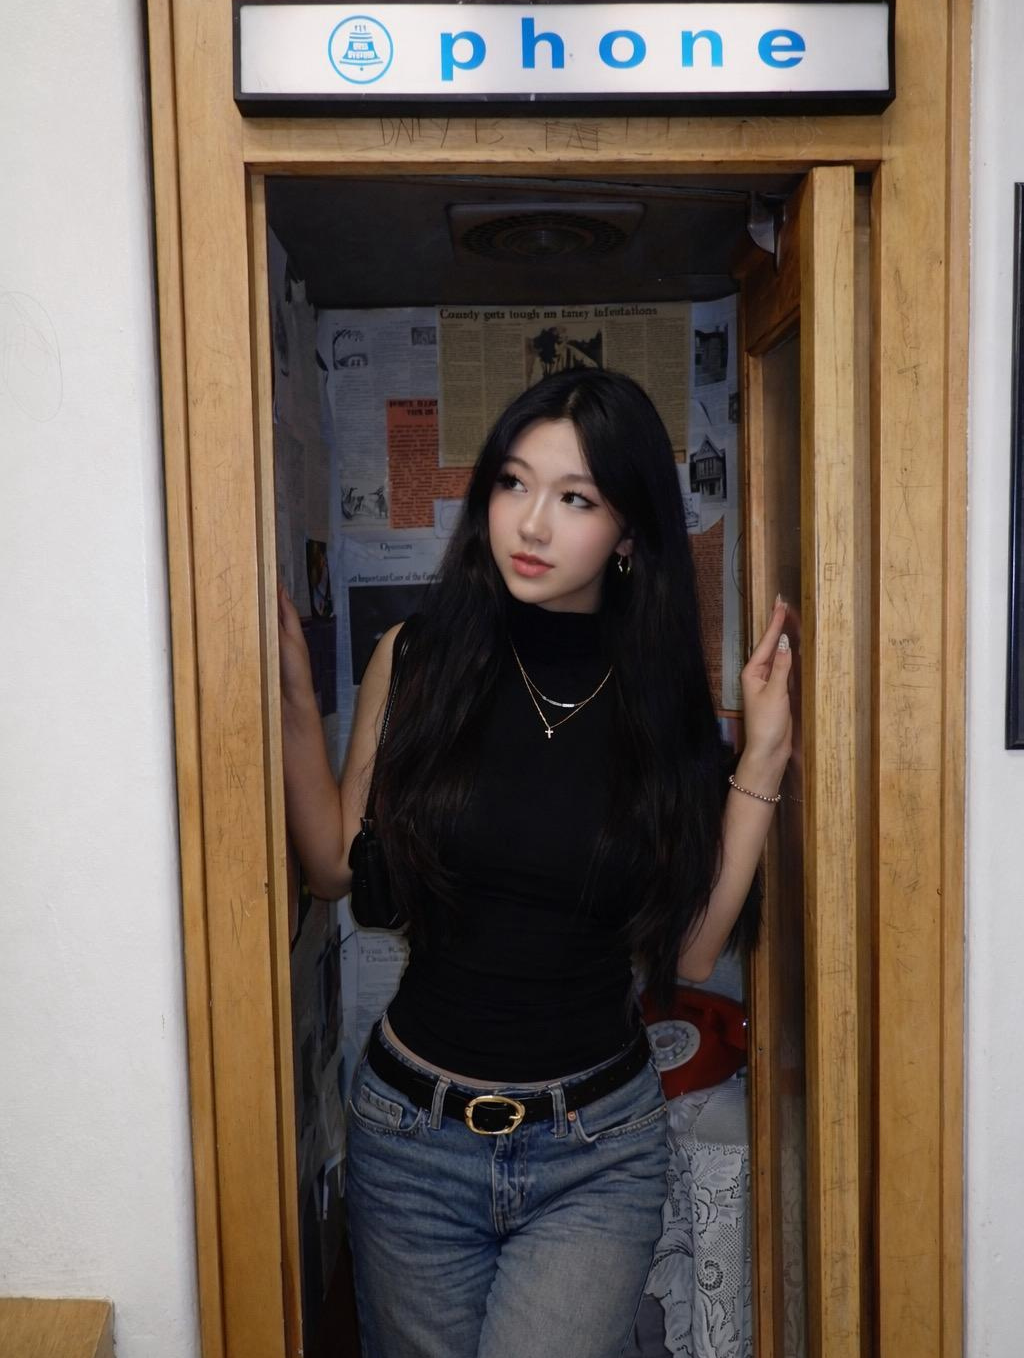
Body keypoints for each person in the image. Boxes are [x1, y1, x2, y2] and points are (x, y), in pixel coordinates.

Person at [277, 369, 792, 1358]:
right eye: (514, 483)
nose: (532, 522)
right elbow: (337, 867)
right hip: (410, 1138)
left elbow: (690, 950)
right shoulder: (416, 657)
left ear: (629, 532)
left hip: (595, 1153)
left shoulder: (663, 704)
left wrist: (762, 758)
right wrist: (297, 700)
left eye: (576, 498)